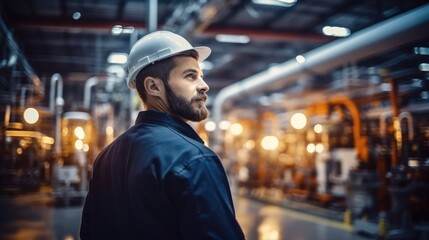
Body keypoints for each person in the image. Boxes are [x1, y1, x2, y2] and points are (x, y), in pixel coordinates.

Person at [80, 30, 245, 240]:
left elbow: (89, 234)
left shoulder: (105, 158)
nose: (204, 85)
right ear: (154, 86)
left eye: (200, 76)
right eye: (190, 76)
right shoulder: (194, 159)